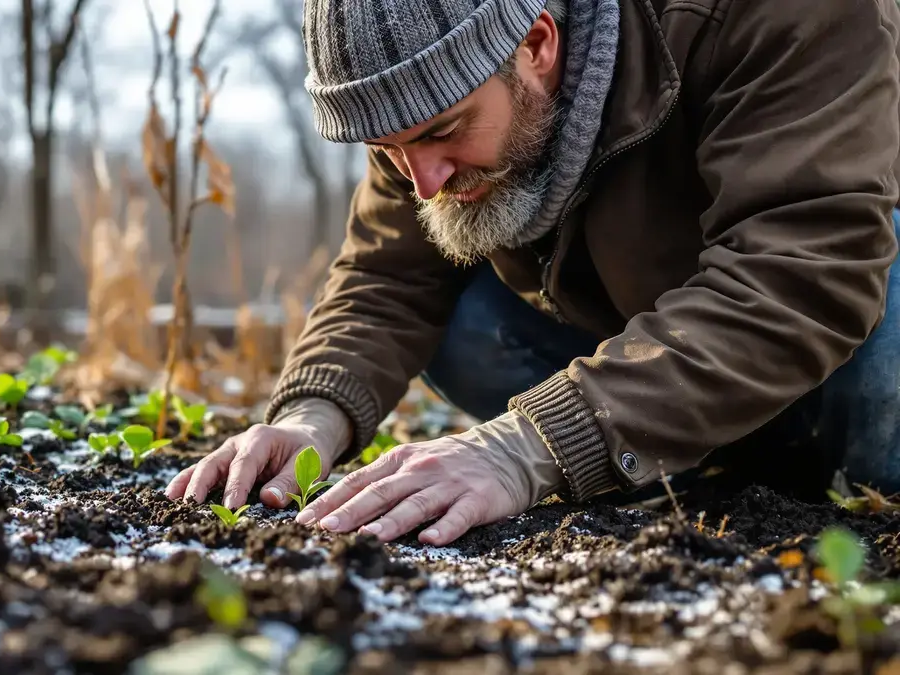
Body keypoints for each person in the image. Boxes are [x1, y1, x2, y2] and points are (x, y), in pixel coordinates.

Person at [166, 0, 900, 546]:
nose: (422, 181)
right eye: (388, 150)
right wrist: (312, 416)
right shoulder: (425, 105)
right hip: (664, 352)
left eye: (443, 132)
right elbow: (388, 274)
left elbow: (803, 268)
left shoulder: (775, 13)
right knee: (464, 322)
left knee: (882, 438)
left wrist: (529, 446)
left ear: (539, 43)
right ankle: (698, 451)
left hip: (845, 295)